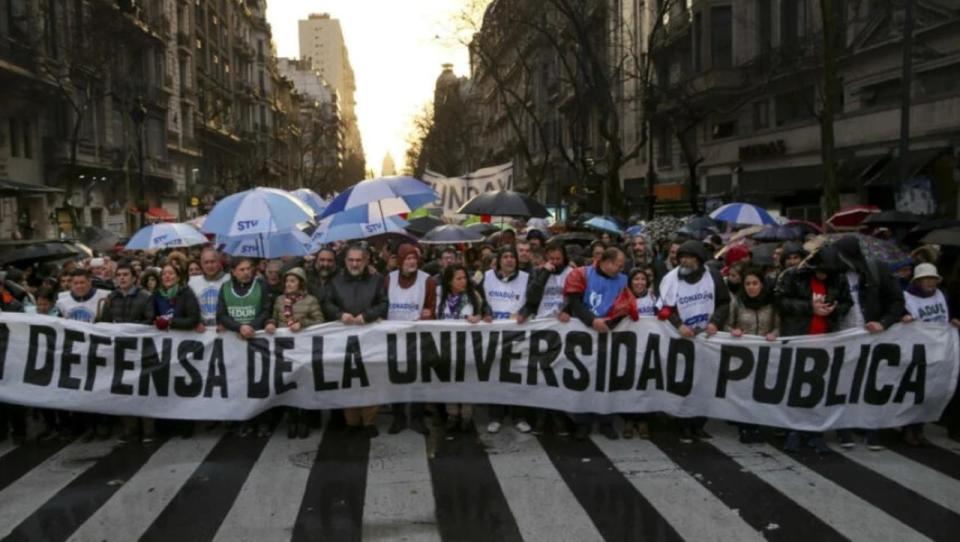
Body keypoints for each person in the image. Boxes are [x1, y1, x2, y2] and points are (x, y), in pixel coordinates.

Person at [776, 246, 852, 454]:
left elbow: (847, 302)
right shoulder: (793, 276)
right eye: (821, 272)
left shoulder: (838, 279)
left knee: (818, 388)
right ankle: (793, 430)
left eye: (828, 273)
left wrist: (835, 309)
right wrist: (810, 308)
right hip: (798, 338)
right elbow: (781, 301)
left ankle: (814, 433)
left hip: (825, 340)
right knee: (794, 387)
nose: (824, 276)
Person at [834, 235, 905, 451]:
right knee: (842, 385)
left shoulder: (877, 271)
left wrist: (884, 323)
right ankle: (844, 429)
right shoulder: (835, 274)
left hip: (872, 338)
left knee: (871, 384)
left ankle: (872, 430)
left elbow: (897, 300)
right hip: (842, 337)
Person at [657, 240, 730, 443]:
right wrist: (678, 324)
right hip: (682, 339)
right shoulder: (670, 279)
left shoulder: (713, 277)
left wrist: (715, 322)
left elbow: (724, 302)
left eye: (689, 257)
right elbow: (662, 308)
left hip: (706, 338)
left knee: (704, 383)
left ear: (698, 259)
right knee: (684, 381)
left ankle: (699, 424)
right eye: (681, 257)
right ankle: (683, 425)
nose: (684, 261)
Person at [564, 247, 630, 440]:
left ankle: (605, 421)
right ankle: (582, 421)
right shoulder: (581, 274)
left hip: (609, 335)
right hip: (584, 334)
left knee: (606, 380)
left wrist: (609, 324)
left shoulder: (623, 280)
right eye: (618, 265)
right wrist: (592, 321)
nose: (621, 269)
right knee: (583, 380)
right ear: (606, 262)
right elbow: (575, 303)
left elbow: (626, 306)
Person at [323, 245, 389, 437]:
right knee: (347, 379)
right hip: (343, 339)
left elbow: (384, 303)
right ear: (345, 261)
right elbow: (327, 303)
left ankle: (369, 421)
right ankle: (351, 422)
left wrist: (367, 316)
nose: (354, 263)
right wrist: (339, 314)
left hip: (370, 338)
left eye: (358, 260)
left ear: (366, 261)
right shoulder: (335, 281)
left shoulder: (377, 280)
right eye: (351, 260)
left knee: (371, 378)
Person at [901, 263, 960, 446]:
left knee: (930, 391)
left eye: (933, 279)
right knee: (915, 391)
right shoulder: (907, 297)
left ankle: (920, 427)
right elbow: (899, 316)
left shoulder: (942, 295)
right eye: (927, 279)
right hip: (917, 352)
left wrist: (953, 320)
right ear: (918, 281)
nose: (931, 283)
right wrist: (904, 317)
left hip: (938, 351)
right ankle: (909, 428)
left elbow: (946, 316)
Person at [99, 261, 156, 443]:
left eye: (126, 275)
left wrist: (128, 329)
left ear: (134, 278)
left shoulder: (145, 297)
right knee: (123, 389)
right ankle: (129, 429)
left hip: (141, 350)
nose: (122, 278)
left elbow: (150, 321)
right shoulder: (111, 298)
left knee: (143, 389)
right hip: (119, 351)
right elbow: (105, 322)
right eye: (119, 275)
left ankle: (148, 430)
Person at [521, 242, 573, 435]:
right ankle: (542, 418)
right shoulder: (539, 272)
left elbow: (576, 297)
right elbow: (532, 296)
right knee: (542, 375)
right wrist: (544, 273)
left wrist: (567, 310)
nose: (555, 262)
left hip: (563, 330)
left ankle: (559, 417)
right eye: (551, 259)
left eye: (558, 259)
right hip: (542, 329)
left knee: (559, 375)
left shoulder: (571, 273)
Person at [265, 267, 324, 439]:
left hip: (304, 349)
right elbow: (273, 317)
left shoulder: (311, 300)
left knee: (304, 383)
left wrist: (302, 323)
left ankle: (304, 420)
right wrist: (270, 323)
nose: (288, 284)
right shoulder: (279, 300)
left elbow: (319, 320)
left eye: (293, 281)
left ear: (301, 283)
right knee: (288, 383)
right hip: (284, 350)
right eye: (287, 281)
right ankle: (292, 420)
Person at [217, 257, 273, 437]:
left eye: (248, 268)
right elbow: (221, 314)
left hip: (257, 340)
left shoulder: (261, 285)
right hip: (235, 342)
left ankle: (263, 421)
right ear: (233, 271)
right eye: (241, 269)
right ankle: (243, 420)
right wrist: (238, 327)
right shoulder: (225, 288)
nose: (246, 272)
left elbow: (266, 310)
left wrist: (252, 327)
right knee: (238, 383)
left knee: (260, 382)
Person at [384, 244, 437, 435]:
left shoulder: (428, 281)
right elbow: (382, 305)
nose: (412, 261)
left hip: (418, 339)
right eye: (407, 258)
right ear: (399, 261)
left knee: (418, 378)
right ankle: (398, 417)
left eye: (414, 258)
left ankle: (417, 418)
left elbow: (433, 309)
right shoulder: (389, 280)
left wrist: (429, 314)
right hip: (393, 338)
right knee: (395, 378)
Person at [481, 245, 532, 434]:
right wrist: (485, 312)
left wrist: (525, 312)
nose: (509, 260)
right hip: (493, 335)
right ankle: (496, 416)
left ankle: (519, 416)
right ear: (499, 260)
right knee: (495, 376)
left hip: (517, 334)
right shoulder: (486, 277)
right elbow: (478, 298)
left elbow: (533, 300)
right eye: (505, 256)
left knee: (518, 376)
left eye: (513, 257)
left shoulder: (527, 278)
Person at [725, 267, 779, 443]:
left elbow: (779, 325)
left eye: (755, 283)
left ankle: (759, 426)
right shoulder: (737, 302)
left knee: (762, 391)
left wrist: (774, 334)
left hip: (766, 354)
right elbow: (727, 325)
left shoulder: (771, 304)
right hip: (744, 356)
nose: (751, 287)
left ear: (762, 285)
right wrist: (734, 331)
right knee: (744, 391)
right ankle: (745, 427)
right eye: (747, 284)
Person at [436, 264, 491, 432]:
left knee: (466, 380)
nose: (463, 281)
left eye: (464, 278)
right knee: (449, 381)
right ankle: (452, 413)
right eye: (458, 279)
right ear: (449, 281)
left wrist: (480, 317)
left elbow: (485, 311)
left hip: (467, 347)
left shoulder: (473, 295)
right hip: (445, 347)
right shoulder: (440, 295)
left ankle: (467, 414)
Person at [621, 267, 658, 439]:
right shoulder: (623, 298)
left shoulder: (654, 299)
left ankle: (643, 420)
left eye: (643, 279)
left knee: (645, 384)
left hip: (648, 348)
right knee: (628, 383)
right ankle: (628, 419)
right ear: (630, 282)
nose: (640, 282)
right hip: (627, 348)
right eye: (636, 279)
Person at [0, 282, 25, 445]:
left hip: (11, 354)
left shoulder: (12, 305)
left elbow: (22, 328)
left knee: (15, 396)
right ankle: (2, 430)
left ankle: (19, 430)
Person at [188, 247, 229, 331]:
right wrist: (196, 323)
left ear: (219, 263)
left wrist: (227, 323)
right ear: (201, 265)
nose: (210, 265)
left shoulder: (229, 280)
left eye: (212, 262)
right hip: (201, 330)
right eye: (206, 262)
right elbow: (188, 308)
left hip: (224, 330)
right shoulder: (192, 282)